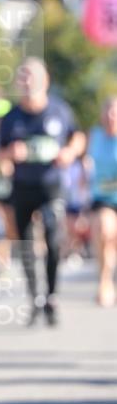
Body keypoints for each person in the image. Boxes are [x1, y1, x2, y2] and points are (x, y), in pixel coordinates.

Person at [0, 59, 84, 326]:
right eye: (22, 77)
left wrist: (69, 153)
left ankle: (52, 295)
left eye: (32, 76)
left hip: (51, 185)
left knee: (53, 234)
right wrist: (11, 154)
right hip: (23, 186)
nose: (27, 82)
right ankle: (34, 297)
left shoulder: (59, 111)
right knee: (23, 243)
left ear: (44, 81)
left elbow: (77, 137)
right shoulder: (11, 117)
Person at [87, 96, 117, 306]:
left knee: (112, 242)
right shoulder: (95, 136)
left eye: (114, 112)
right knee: (104, 232)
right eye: (107, 111)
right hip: (103, 196)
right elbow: (87, 163)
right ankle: (104, 281)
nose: (110, 116)